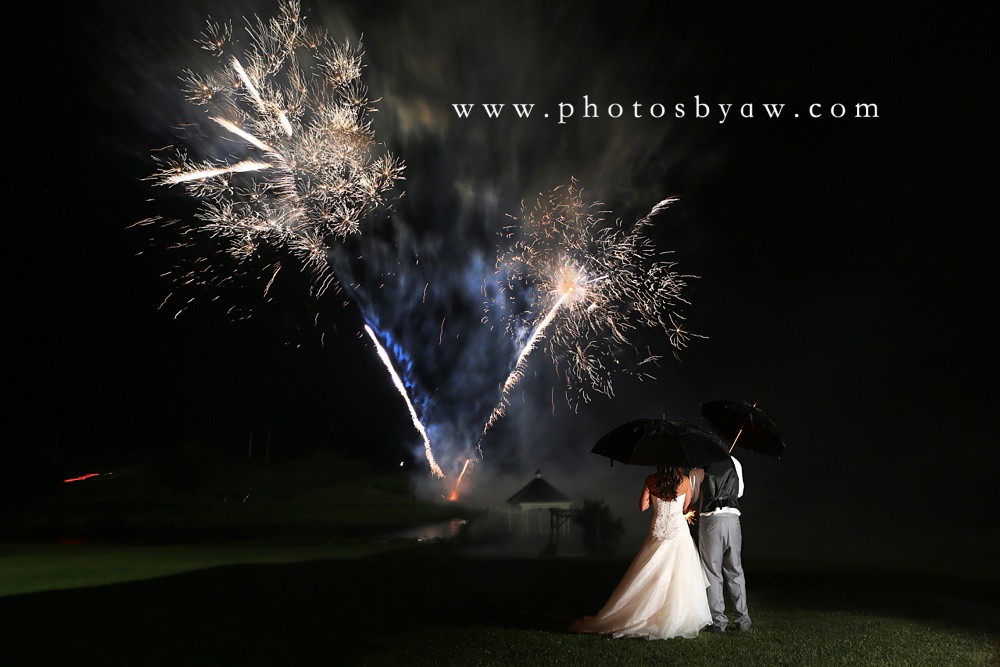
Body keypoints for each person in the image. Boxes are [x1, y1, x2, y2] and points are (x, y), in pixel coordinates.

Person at [569, 466, 711, 640]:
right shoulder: (685, 481)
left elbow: (643, 506)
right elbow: (685, 509)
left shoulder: (651, 480)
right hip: (678, 533)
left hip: (657, 531)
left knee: (650, 570)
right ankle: (675, 617)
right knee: (679, 574)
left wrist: (654, 499)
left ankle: (644, 613)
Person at [694, 455, 751, 632]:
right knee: (735, 569)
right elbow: (739, 491)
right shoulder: (735, 461)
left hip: (711, 520)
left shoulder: (698, 466)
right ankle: (743, 620)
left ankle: (718, 622)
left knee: (712, 572)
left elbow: (695, 495)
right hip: (733, 518)